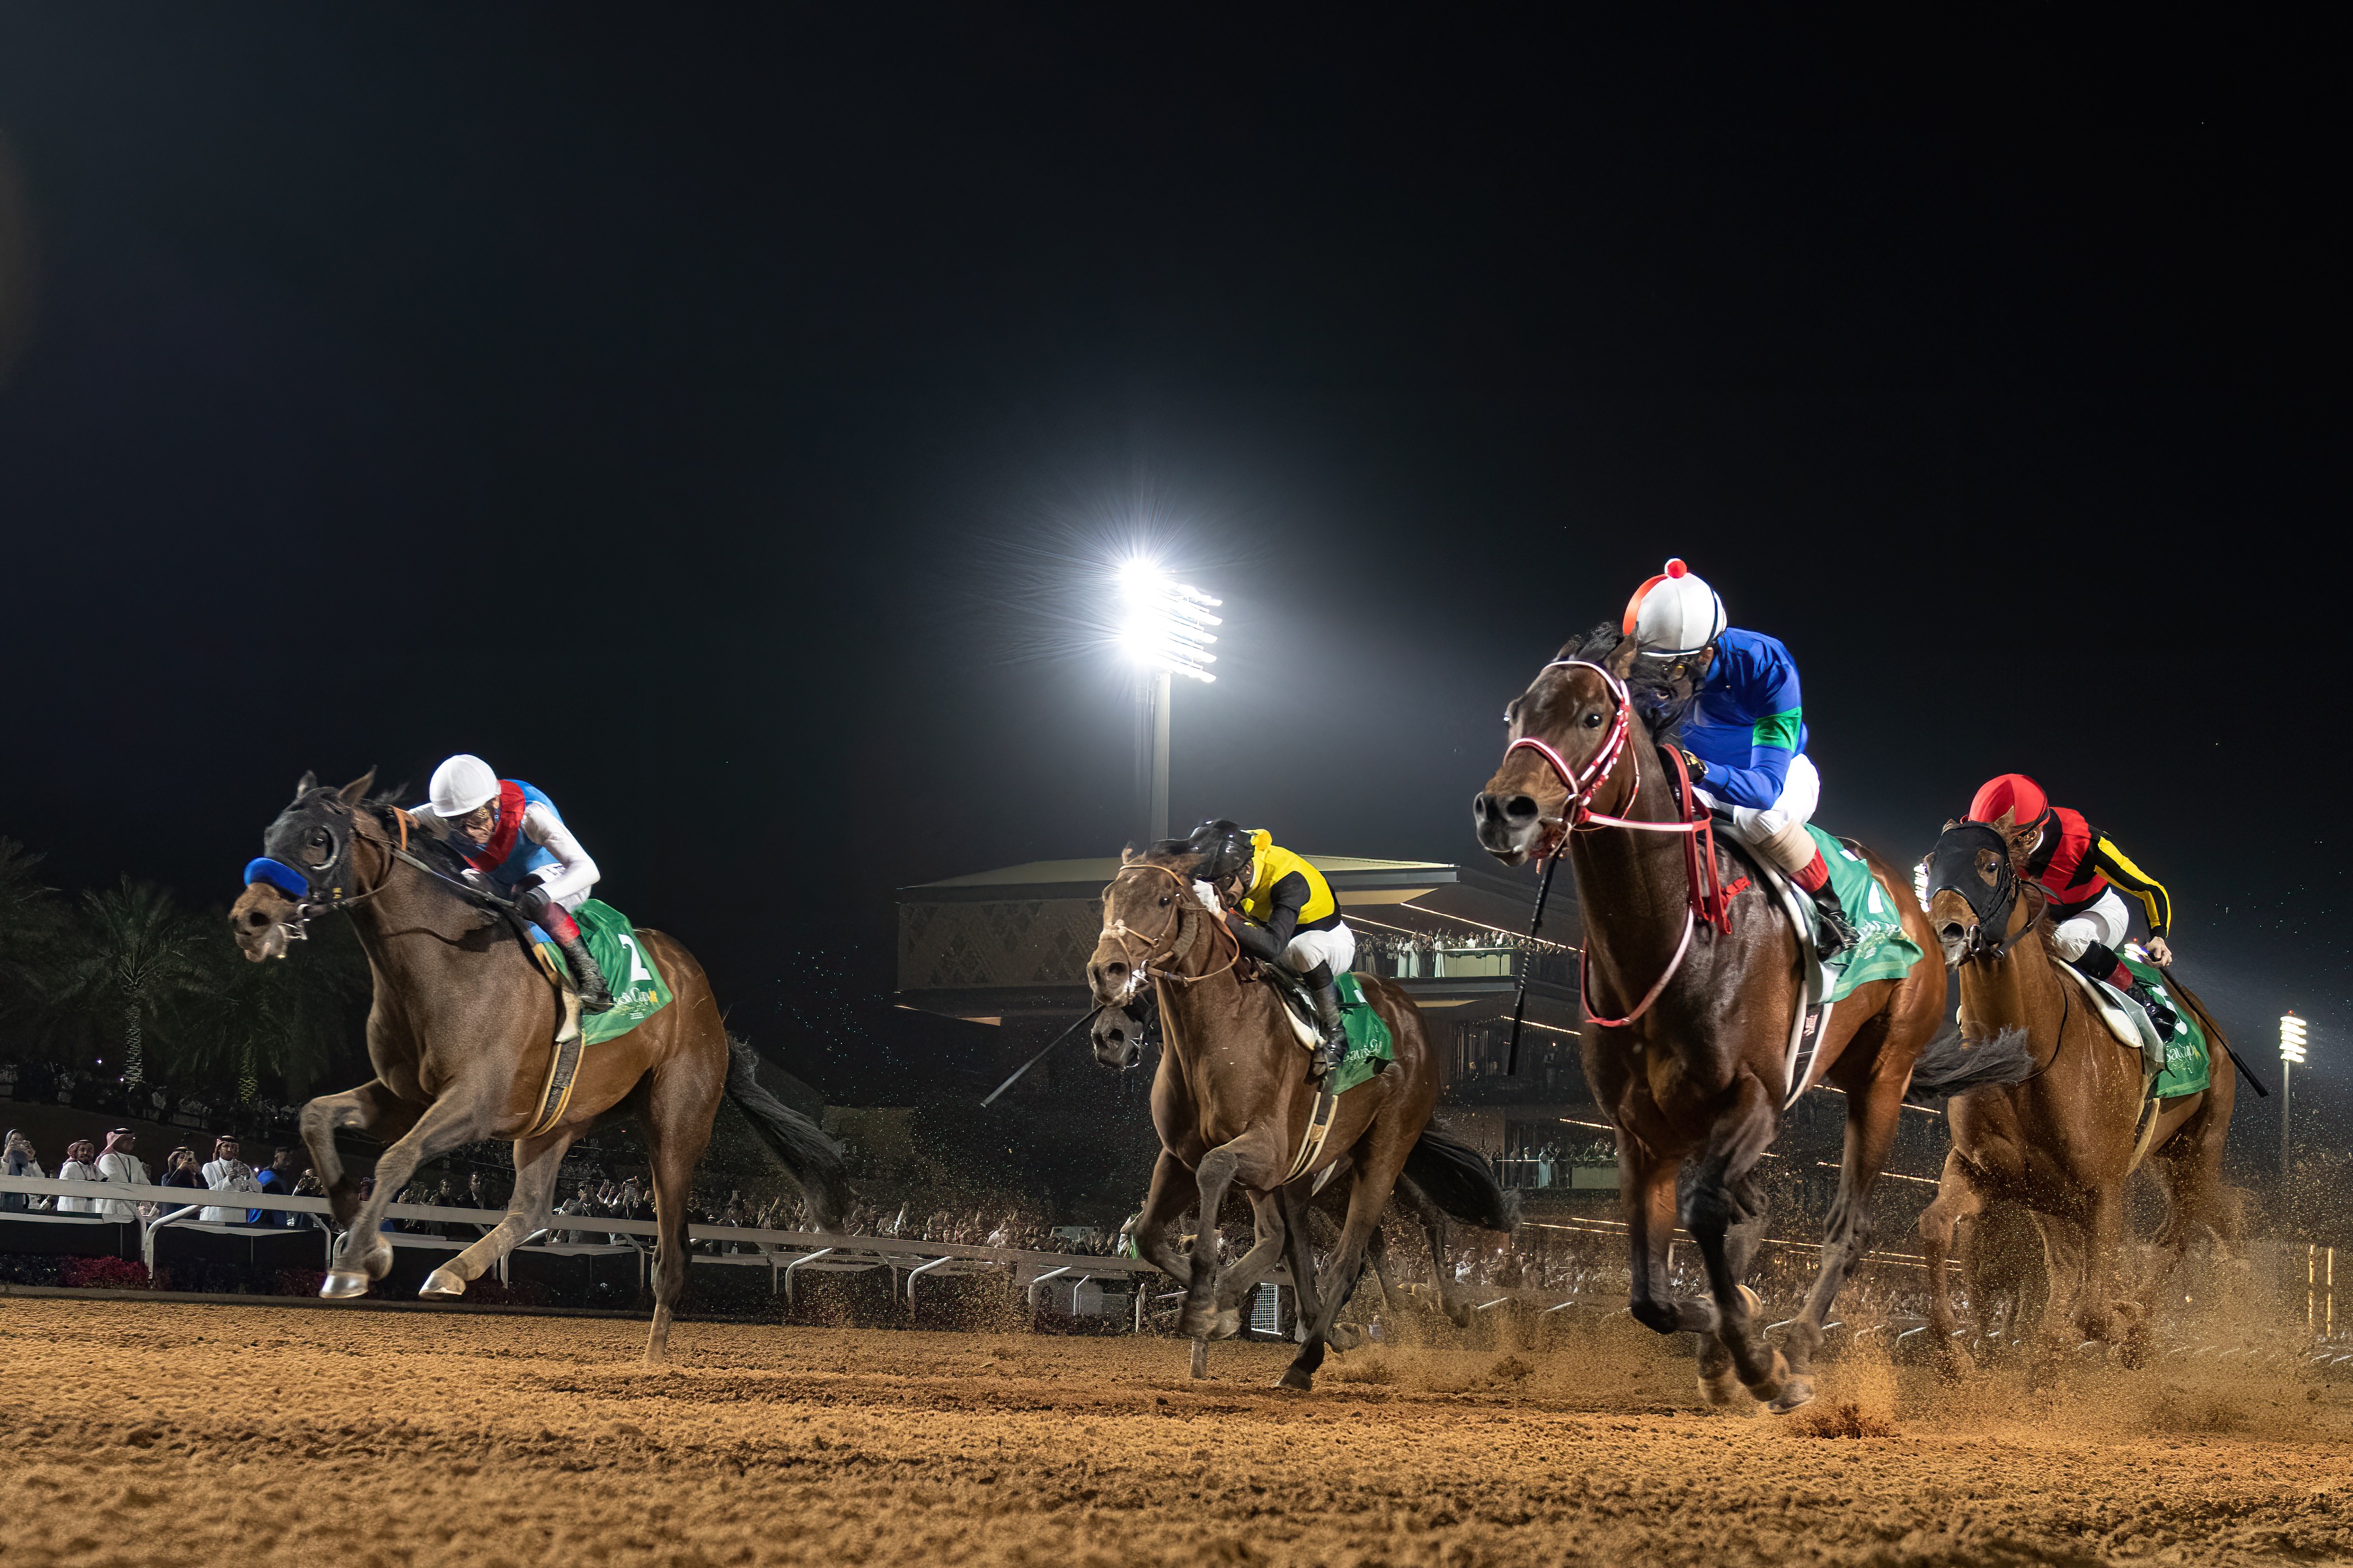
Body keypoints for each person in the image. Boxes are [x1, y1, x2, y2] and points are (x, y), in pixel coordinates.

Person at [1621, 558, 1860, 958]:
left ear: (1704, 653)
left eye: (1671, 669)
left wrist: (1697, 769)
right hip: (1697, 772)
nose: (1659, 684)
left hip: (1779, 773)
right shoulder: (1661, 660)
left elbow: (1766, 789)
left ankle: (1830, 912)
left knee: (1758, 818)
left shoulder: (1766, 664)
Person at [1966, 772, 2181, 1036]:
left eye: (2007, 839)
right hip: (2043, 919)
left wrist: (2159, 936)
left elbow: (2150, 889)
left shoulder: (2087, 843)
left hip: (2098, 911)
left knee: (2066, 939)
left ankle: (2143, 1002)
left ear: (2034, 833)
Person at [414, 753, 613, 1011]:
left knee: (527, 891)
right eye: (456, 824)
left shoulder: (531, 813)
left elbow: (588, 869)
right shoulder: (445, 813)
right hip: (504, 885)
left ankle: (592, 980)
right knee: (459, 883)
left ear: (495, 802)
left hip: (561, 879)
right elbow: (395, 821)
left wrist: (543, 895)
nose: (470, 833)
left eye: (478, 819)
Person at [1184, 819, 1358, 1078]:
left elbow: (1274, 948)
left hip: (1326, 939)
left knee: (1303, 949)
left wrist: (1223, 915)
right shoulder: (1241, 862)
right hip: (1277, 938)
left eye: (1221, 884)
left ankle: (1336, 1034)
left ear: (1245, 870)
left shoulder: (1289, 879)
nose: (1217, 892)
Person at [92, 1130, 150, 1223]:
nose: (131, 1142)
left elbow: (145, 1183)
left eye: (132, 1139)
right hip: (112, 1208)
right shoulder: (107, 1158)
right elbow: (114, 1181)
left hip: (132, 1208)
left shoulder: (135, 1160)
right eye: (127, 1139)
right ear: (116, 1141)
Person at [200, 1135, 259, 1225]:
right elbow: (209, 1194)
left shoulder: (243, 1167)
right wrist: (228, 1180)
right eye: (226, 1146)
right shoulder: (209, 1167)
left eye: (233, 1147)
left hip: (237, 1218)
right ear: (219, 1149)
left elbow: (259, 1190)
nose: (229, 1149)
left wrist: (249, 1177)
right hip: (215, 1218)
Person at [252, 1147, 303, 1225]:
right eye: (285, 1159)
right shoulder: (267, 1175)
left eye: (290, 1160)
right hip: (268, 1222)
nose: (288, 1163)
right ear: (276, 1159)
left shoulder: (282, 1180)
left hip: (279, 1221)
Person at [3, 1129, 45, 1213]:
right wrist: (7, 1155)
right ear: (8, 1143)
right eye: (14, 1140)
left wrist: (31, 1159)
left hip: (24, 1205)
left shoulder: (27, 1163)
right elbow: (3, 1175)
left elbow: (40, 1178)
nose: (18, 1143)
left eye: (21, 1140)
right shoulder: (3, 1161)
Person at [55, 1139, 101, 1213]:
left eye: (89, 1151)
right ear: (76, 1153)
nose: (86, 1153)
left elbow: (104, 1180)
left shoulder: (93, 1168)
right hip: (72, 1206)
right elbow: (64, 1186)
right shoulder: (70, 1167)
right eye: (82, 1150)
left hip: (89, 1207)